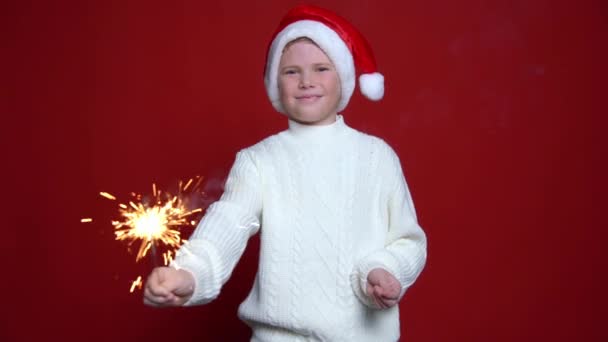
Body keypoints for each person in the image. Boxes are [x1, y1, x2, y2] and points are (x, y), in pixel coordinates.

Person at [144, 5, 427, 341]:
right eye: (291, 71)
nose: (306, 81)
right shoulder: (259, 161)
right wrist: (190, 273)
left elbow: (409, 241)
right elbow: (226, 225)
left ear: (345, 77)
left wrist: (387, 269)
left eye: (321, 68)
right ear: (274, 83)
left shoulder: (377, 157)